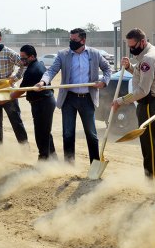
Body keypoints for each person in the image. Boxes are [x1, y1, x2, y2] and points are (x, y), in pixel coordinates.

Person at [36, 28, 111, 164]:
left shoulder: (94, 54)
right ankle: (69, 166)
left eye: (74, 40)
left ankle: (94, 165)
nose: (71, 42)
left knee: (91, 134)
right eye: (70, 39)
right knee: (68, 133)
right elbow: (52, 70)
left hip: (87, 98)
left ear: (83, 40)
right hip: (69, 99)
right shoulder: (63, 54)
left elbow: (107, 69)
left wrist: (104, 82)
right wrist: (43, 81)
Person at [112, 28, 155, 178]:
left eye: (133, 46)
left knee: (150, 149)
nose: (131, 50)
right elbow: (141, 73)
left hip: (149, 105)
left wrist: (121, 101)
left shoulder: (148, 58)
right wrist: (129, 67)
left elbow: (143, 90)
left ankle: (154, 185)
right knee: (149, 147)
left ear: (142, 41)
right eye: (129, 46)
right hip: (149, 105)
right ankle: (152, 183)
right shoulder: (150, 53)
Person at [10, 45, 57, 160]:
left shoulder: (32, 70)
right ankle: (53, 158)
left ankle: (44, 158)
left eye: (24, 58)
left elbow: (20, 91)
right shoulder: (38, 64)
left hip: (43, 103)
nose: (21, 61)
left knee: (41, 133)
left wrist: (5, 99)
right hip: (42, 102)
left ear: (32, 57)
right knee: (45, 131)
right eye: (20, 58)